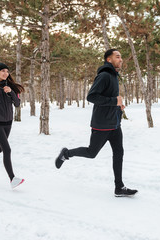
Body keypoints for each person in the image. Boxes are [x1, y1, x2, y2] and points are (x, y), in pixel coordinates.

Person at [55, 49, 138, 197]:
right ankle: (66, 153)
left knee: (119, 153)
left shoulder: (114, 76)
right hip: (102, 124)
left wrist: (118, 106)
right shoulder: (104, 76)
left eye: (121, 57)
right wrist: (114, 101)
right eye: (117, 57)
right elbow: (91, 97)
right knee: (92, 153)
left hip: (114, 124)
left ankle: (119, 187)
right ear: (109, 60)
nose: (121, 59)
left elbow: (109, 99)